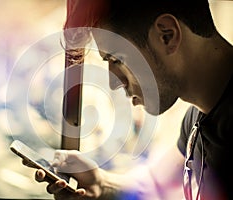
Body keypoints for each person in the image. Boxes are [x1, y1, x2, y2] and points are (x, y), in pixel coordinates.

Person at [23, 0, 233, 199]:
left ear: (167, 35)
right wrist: (100, 183)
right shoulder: (199, 116)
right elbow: (157, 186)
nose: (114, 83)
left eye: (117, 59)